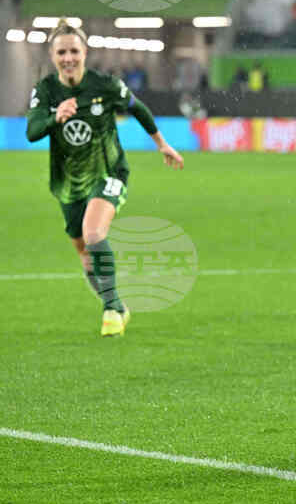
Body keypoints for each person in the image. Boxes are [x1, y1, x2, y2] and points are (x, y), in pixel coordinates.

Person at [26, 19, 184, 336]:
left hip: (108, 172)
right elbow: (32, 131)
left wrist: (161, 143)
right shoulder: (45, 90)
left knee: (94, 233)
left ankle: (111, 309)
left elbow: (137, 108)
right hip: (67, 182)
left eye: (74, 50)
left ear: (84, 52)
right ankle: (118, 305)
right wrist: (55, 117)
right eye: (62, 52)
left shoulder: (104, 85)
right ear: (53, 55)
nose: (68, 57)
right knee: (85, 254)